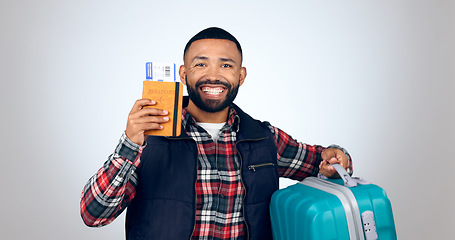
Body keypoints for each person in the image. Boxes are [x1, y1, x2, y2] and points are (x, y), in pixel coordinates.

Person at [80, 27, 352, 240]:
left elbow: (324, 162)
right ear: (183, 74)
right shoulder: (148, 137)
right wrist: (129, 143)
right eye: (201, 65)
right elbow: (94, 214)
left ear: (240, 76)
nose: (213, 76)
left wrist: (337, 156)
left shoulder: (264, 138)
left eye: (225, 65)